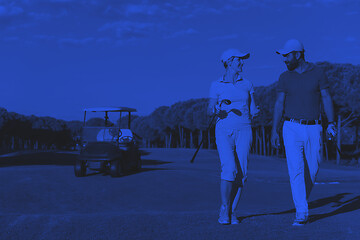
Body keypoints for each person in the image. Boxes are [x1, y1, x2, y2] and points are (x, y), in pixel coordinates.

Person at [270, 39, 336, 226]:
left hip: (315, 127)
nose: (284, 59)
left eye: (287, 55)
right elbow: (278, 104)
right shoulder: (284, 77)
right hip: (291, 127)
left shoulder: (318, 73)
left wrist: (331, 123)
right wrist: (274, 130)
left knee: (313, 168)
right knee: (296, 169)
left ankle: (301, 201)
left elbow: (326, 97)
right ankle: (301, 211)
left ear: (298, 55)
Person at [208, 49, 259, 225]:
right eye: (239, 60)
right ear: (229, 62)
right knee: (229, 169)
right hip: (223, 131)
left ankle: (233, 211)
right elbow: (210, 109)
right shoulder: (216, 84)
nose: (242, 63)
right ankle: (224, 208)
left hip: (245, 130)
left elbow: (252, 108)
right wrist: (216, 110)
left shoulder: (247, 84)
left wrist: (255, 111)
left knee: (242, 174)